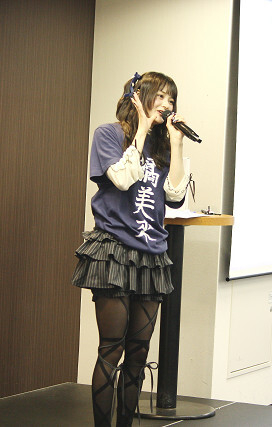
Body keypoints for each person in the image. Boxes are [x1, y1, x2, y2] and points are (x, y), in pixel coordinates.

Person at [71, 71, 190, 427]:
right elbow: (122, 179)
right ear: (140, 98)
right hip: (114, 251)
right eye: (161, 97)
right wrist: (141, 128)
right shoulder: (108, 134)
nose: (167, 104)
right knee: (112, 348)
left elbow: (175, 196)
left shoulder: (162, 145)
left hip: (151, 254)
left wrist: (177, 144)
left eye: (172, 99)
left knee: (139, 352)